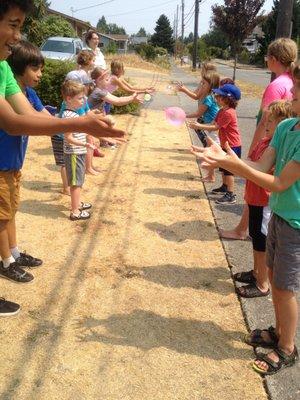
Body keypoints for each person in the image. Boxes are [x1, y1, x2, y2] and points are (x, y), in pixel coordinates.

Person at [0, 0, 125, 316]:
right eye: (12, 25)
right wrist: (80, 123)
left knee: (7, 212)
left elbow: (29, 113)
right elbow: (13, 124)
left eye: (20, 26)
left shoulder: (2, 67)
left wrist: (79, 121)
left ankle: (10, 255)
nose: (17, 36)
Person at [190, 64, 300, 375]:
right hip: (279, 215)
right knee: (275, 277)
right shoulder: (285, 127)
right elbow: (260, 165)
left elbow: (278, 182)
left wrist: (233, 166)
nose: (291, 92)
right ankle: (279, 332)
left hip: (295, 224)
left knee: (283, 287)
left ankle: (287, 348)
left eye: (297, 89)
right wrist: (230, 160)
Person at [220, 38, 298, 240]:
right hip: (284, 151)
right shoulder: (290, 82)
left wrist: (253, 149)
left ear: (272, 59)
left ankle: (242, 230)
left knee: (258, 196)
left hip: (270, 147)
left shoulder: (277, 85)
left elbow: (266, 120)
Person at [235, 100, 292, 298]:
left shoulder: (280, 150)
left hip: (264, 201)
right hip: (254, 198)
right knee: (255, 238)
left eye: (272, 121)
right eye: (266, 120)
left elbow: (270, 173)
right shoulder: (265, 142)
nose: (266, 124)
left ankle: (262, 284)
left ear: (285, 122)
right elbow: (254, 164)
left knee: (261, 241)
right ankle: (256, 272)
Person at [189, 83, 242, 205]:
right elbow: (213, 122)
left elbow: (216, 127)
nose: (216, 98)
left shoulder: (229, 112)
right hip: (225, 144)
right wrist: (199, 124)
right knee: (223, 169)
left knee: (229, 171)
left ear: (228, 99)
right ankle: (224, 186)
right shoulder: (221, 111)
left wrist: (198, 126)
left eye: (219, 96)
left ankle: (231, 194)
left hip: (232, 145)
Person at [61, 80, 96, 221]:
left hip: (78, 152)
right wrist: (85, 144)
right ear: (69, 99)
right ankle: (75, 212)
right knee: (76, 183)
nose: (84, 100)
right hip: (74, 152)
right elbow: (68, 137)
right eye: (80, 98)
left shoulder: (74, 114)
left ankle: (77, 203)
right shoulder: (68, 116)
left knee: (79, 181)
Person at [185, 71, 220, 182]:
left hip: (211, 128)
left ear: (211, 85)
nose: (201, 85)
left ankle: (211, 176)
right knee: (209, 149)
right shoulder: (209, 96)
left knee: (210, 150)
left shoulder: (208, 98)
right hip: (210, 126)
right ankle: (210, 175)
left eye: (203, 83)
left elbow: (198, 113)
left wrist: (184, 115)